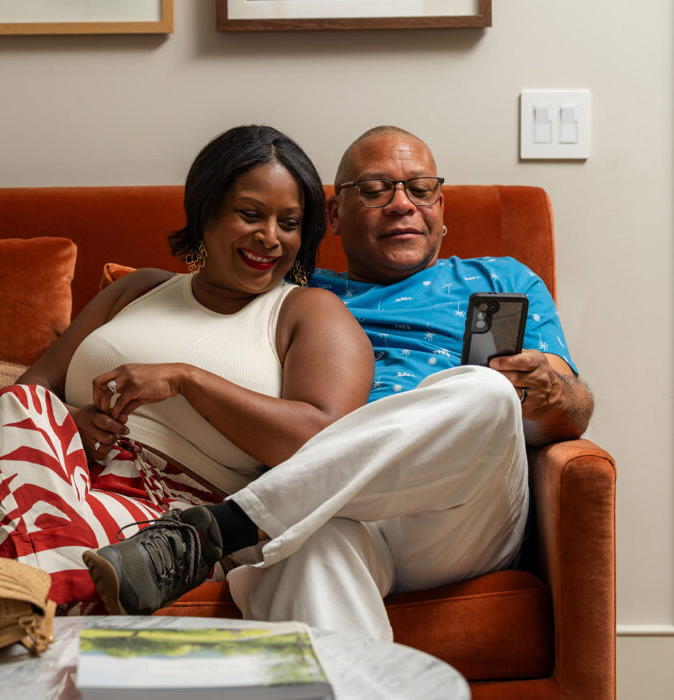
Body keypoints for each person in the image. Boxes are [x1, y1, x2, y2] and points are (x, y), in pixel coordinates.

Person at [84, 125, 594, 639]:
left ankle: (226, 526)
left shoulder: (502, 279)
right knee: (308, 558)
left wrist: (550, 392)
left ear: (442, 207)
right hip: (333, 516)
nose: (402, 205)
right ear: (332, 216)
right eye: (374, 190)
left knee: (484, 391)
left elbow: (574, 412)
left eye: (420, 189)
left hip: (458, 512)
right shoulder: (283, 295)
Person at [0, 124, 373, 616]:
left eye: (290, 222)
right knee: (20, 406)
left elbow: (323, 444)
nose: (270, 237)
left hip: (169, 525)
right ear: (206, 211)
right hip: (55, 473)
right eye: (250, 214)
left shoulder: (308, 311)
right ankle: (57, 594)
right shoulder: (138, 290)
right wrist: (74, 423)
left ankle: (6, 612)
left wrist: (185, 379)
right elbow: (30, 393)